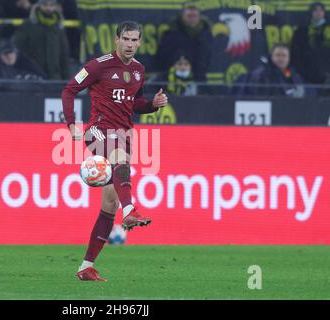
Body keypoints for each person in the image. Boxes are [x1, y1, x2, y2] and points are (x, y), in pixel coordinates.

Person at [62, 21, 168, 281]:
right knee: (120, 158)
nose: (130, 44)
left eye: (135, 40)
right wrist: (71, 123)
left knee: (109, 203)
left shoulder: (139, 71)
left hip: (123, 134)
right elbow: (69, 90)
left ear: (140, 42)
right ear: (116, 39)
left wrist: (152, 105)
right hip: (97, 130)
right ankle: (130, 210)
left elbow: (135, 105)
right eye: (126, 39)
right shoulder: (98, 65)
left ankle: (86, 266)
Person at [13, 0, 70, 80]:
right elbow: (18, 50)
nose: (48, 8)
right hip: (33, 77)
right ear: (39, 6)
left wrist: (66, 79)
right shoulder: (27, 25)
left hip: (54, 77)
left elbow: (64, 55)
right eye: (45, 5)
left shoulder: (59, 27)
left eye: (51, 5)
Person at [155, 5, 212, 82]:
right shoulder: (172, 34)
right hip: (173, 78)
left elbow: (208, 56)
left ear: (199, 18)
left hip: (198, 77)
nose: (192, 19)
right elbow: (163, 56)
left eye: (194, 16)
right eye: (189, 16)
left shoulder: (206, 34)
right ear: (182, 17)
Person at [291, 2, 330, 85]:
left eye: (321, 10)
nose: (318, 13)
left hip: (326, 72)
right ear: (311, 12)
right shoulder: (301, 30)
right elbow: (296, 51)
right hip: (306, 72)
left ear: (324, 12)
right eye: (315, 10)